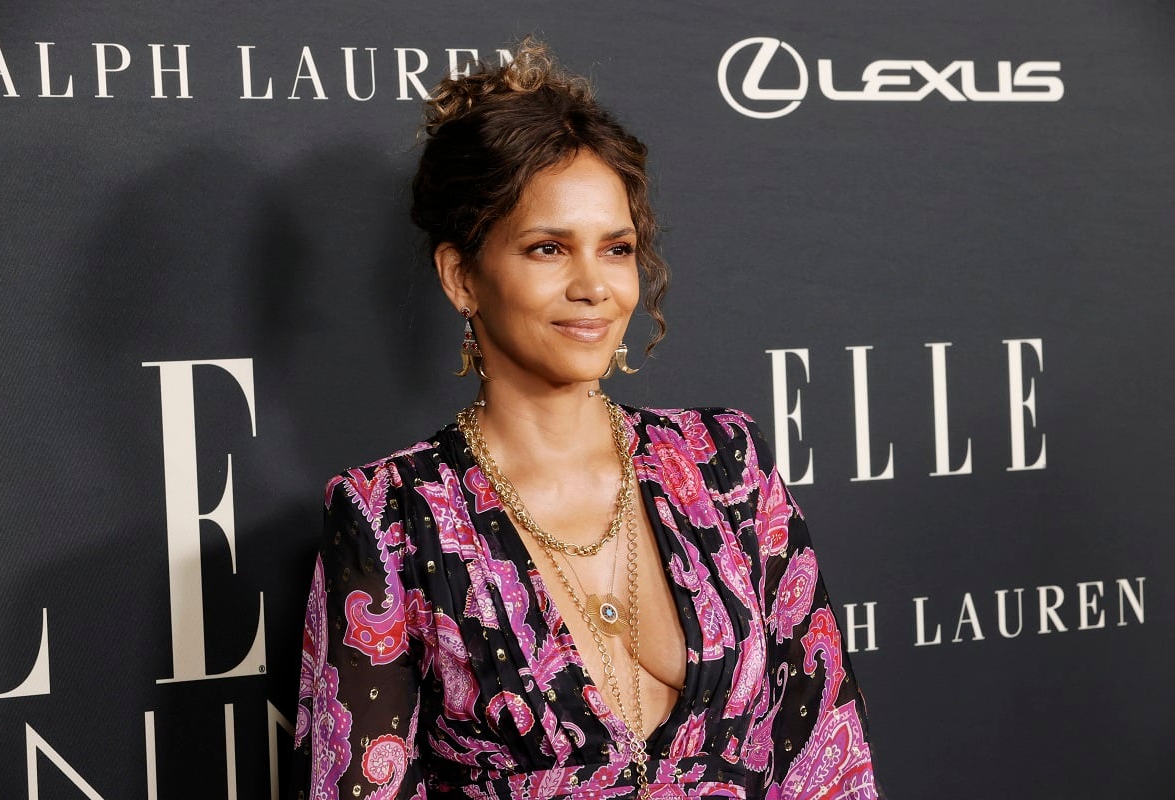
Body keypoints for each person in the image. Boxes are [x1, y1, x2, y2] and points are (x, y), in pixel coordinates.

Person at [290, 39, 882, 799]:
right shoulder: (391, 518)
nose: (594, 287)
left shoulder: (726, 465)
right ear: (461, 276)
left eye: (617, 248)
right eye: (547, 249)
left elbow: (828, 755)